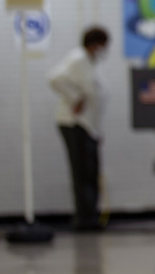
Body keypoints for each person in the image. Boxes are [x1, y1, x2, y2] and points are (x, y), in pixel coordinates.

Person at [47, 26, 110, 232]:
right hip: (75, 124)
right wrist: (75, 97)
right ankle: (84, 218)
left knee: (91, 172)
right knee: (82, 172)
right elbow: (55, 78)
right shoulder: (79, 58)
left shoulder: (90, 62)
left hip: (88, 127)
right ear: (95, 44)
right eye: (102, 45)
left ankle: (90, 214)